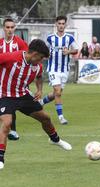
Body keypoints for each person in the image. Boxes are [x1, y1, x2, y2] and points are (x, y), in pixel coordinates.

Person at [0, 39, 72, 170]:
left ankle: (55, 139)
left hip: (23, 95)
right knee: (7, 123)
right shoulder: (12, 57)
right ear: (34, 54)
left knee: (45, 118)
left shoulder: (37, 66)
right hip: (5, 95)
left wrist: (39, 90)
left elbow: (39, 77)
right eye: (41, 58)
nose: (41, 61)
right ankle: (0, 158)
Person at [40, 15, 78, 124]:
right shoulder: (50, 38)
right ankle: (61, 117)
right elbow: (43, 50)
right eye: (59, 23)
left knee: (57, 93)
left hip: (64, 70)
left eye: (63, 24)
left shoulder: (69, 38)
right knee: (58, 92)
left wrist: (69, 52)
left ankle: (41, 102)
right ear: (56, 24)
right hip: (53, 69)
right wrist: (46, 55)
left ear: (65, 25)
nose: (61, 26)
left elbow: (76, 49)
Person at [0, 18, 29, 141]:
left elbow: (28, 59)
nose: (10, 30)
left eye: (12, 27)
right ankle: (11, 130)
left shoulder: (20, 43)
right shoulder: (0, 43)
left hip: (14, 81)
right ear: (3, 28)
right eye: (7, 27)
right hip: (1, 79)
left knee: (10, 103)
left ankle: (13, 130)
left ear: (15, 28)